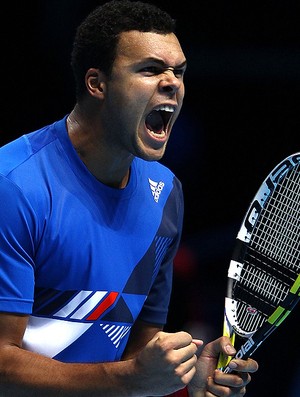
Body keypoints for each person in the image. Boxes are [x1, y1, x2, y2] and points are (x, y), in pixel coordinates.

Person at [0, 1, 258, 396]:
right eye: (151, 69)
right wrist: (129, 378)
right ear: (97, 84)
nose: (173, 82)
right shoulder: (15, 185)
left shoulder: (166, 194)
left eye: (180, 71)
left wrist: (183, 378)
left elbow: (136, 354)